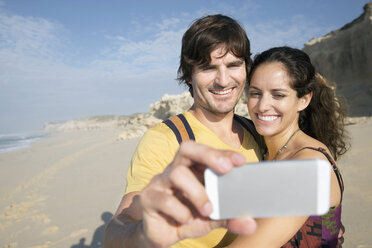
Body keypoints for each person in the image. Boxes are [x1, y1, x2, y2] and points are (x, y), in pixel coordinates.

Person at [103, 14, 262, 248]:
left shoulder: (255, 130)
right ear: (189, 75)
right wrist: (143, 234)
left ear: (246, 68)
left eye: (233, 65)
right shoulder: (165, 139)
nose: (223, 79)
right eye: (208, 67)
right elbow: (115, 234)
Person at [225, 46, 348, 247]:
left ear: (303, 100)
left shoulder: (309, 167)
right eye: (256, 93)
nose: (262, 105)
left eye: (278, 95)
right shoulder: (263, 151)